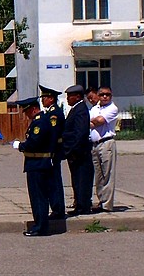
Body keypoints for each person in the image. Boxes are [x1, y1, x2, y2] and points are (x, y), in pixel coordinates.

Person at [12, 97, 55, 236]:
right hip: (37, 164)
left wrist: (20, 146)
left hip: (38, 165)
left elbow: (34, 143)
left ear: (34, 109)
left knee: (39, 197)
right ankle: (40, 225)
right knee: (37, 197)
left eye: (27, 111)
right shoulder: (38, 121)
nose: (26, 115)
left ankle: (41, 227)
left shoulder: (39, 123)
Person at [61, 84, 95, 216]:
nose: (68, 98)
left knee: (82, 180)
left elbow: (80, 133)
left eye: (70, 96)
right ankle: (80, 204)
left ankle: (83, 206)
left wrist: (70, 150)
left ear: (78, 97)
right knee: (77, 179)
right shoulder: (76, 108)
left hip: (80, 153)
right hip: (75, 152)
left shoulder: (80, 110)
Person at [39, 84, 66, 220]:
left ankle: (58, 209)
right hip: (53, 151)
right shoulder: (50, 112)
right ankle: (57, 207)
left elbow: (53, 135)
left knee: (54, 181)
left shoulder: (54, 113)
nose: (42, 100)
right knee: (52, 180)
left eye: (44, 97)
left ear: (50, 98)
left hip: (54, 152)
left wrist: (49, 152)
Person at [90, 85, 119, 212]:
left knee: (108, 174)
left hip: (107, 143)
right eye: (102, 94)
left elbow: (100, 121)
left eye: (108, 94)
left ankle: (107, 204)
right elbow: (90, 122)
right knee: (99, 175)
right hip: (95, 144)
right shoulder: (95, 108)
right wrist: (92, 121)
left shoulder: (112, 108)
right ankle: (101, 200)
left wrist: (93, 122)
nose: (105, 97)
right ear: (98, 95)